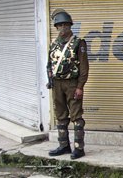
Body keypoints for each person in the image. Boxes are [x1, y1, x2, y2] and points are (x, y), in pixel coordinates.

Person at [46, 9, 89, 160]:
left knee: (76, 116)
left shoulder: (78, 43)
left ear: (70, 26)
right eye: (59, 25)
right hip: (57, 84)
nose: (62, 28)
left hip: (72, 83)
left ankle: (79, 148)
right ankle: (64, 145)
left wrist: (80, 86)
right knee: (60, 115)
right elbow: (49, 63)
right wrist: (50, 78)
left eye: (65, 25)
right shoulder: (54, 44)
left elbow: (84, 67)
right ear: (56, 27)